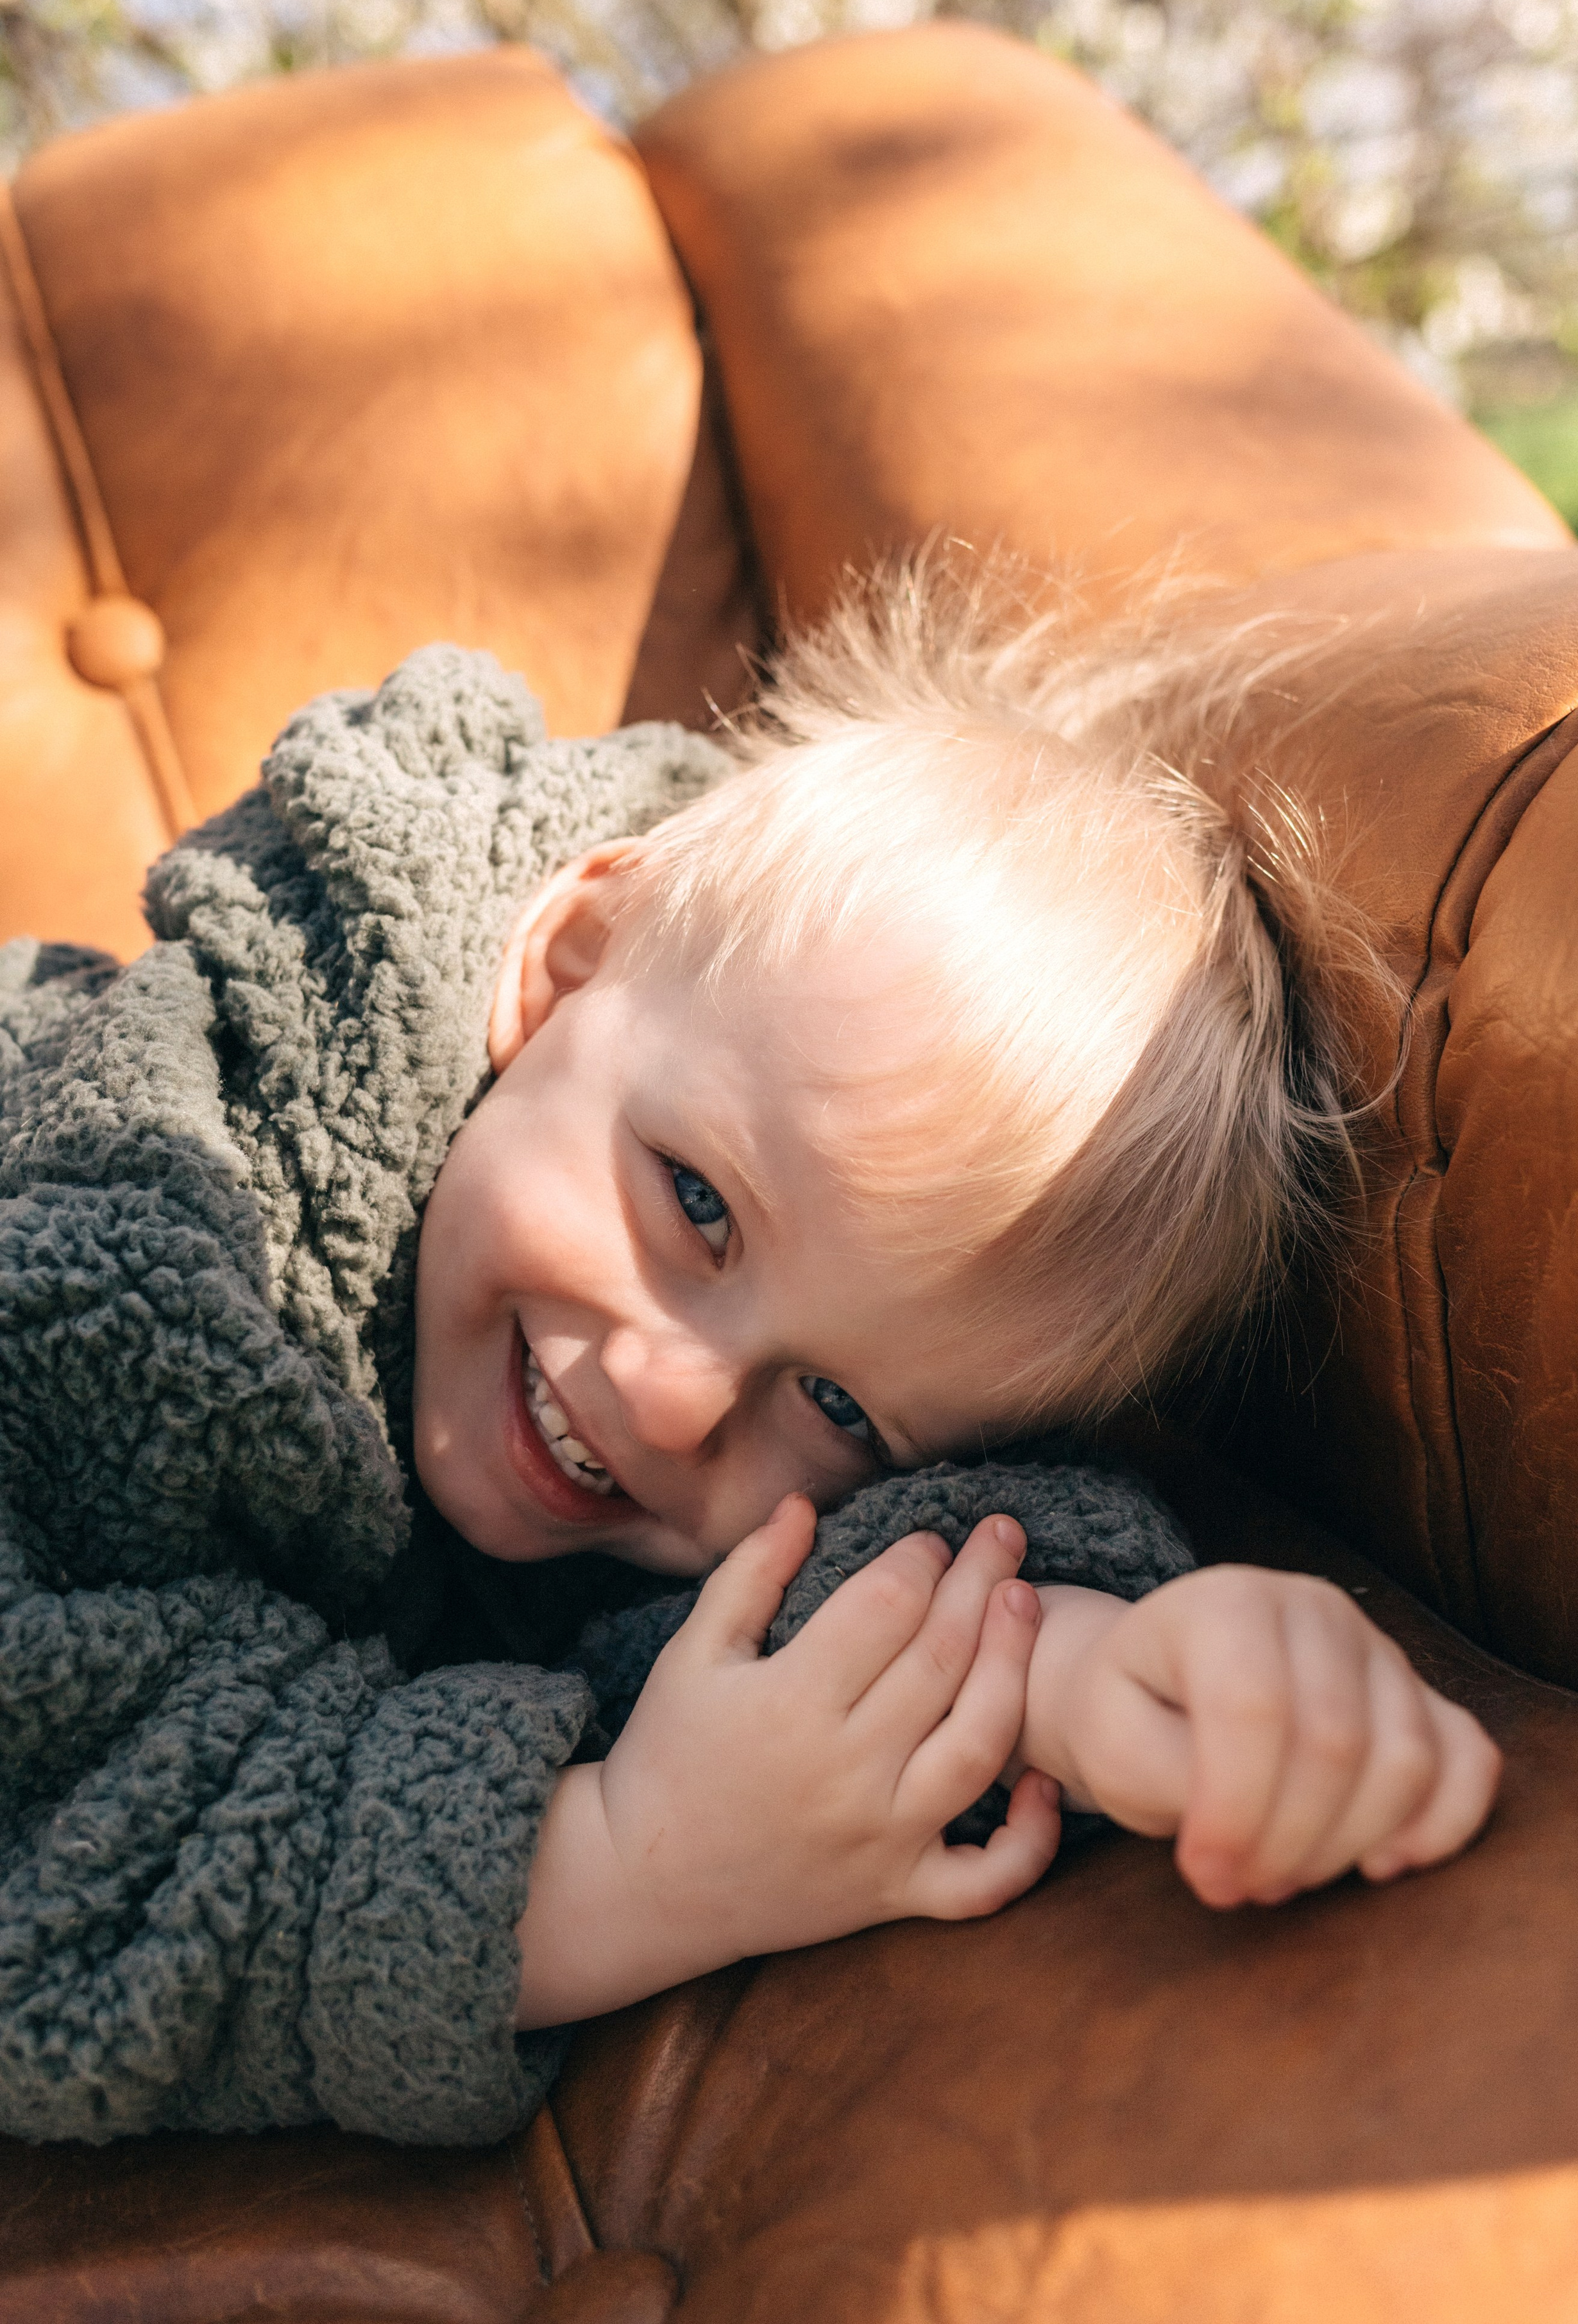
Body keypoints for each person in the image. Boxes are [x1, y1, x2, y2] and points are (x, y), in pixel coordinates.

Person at [0, 567, 1497, 2148]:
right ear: (567, 960)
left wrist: (1078, 1672)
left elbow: (839, 1567)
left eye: (837, 1407)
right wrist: (630, 1865)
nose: (669, 1402)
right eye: (696, 1205)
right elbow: (56, 1868)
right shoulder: (165, 1231)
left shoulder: (637, 1239)